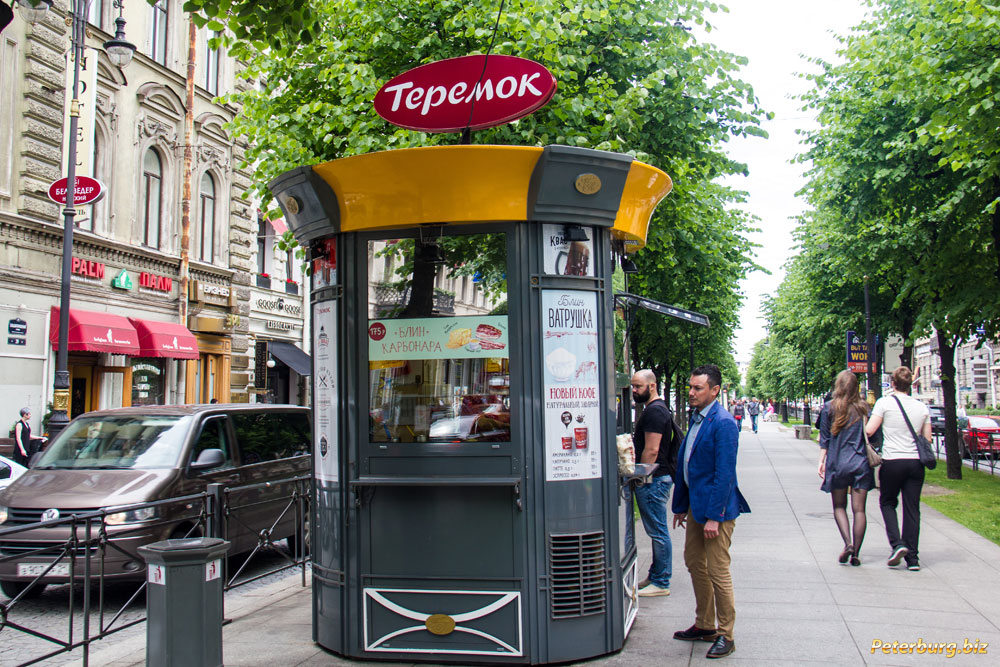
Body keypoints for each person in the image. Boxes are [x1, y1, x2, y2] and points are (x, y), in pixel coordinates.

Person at [672, 364, 750, 660]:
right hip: (695, 506)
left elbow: (725, 473)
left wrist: (716, 517)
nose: (691, 393)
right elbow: (686, 463)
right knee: (694, 562)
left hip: (716, 511)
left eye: (698, 388)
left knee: (718, 570)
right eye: (690, 387)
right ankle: (705, 624)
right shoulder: (697, 419)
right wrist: (680, 506)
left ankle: (726, 634)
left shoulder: (723, 422)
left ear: (714, 391)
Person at [865, 366, 931, 571]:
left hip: (892, 461)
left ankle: (897, 544)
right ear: (910, 384)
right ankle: (913, 558)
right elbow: (927, 438)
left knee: (887, 502)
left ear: (893, 383)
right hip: (915, 463)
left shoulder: (884, 403)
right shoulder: (921, 407)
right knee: (912, 509)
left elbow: (869, 430)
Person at [628, 369, 680, 597]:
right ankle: (656, 574)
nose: (634, 391)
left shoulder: (654, 413)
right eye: (633, 386)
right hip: (659, 478)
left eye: (638, 386)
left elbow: (651, 450)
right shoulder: (658, 409)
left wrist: (640, 477)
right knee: (657, 529)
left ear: (652, 385)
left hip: (654, 479)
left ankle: (661, 581)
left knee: (658, 531)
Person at [817, 371, 874, 566]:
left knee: (839, 506)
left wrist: (821, 461)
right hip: (860, 462)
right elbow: (871, 435)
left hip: (838, 463)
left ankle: (848, 543)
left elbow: (824, 439)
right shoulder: (863, 408)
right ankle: (856, 552)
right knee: (860, 510)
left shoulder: (829, 408)